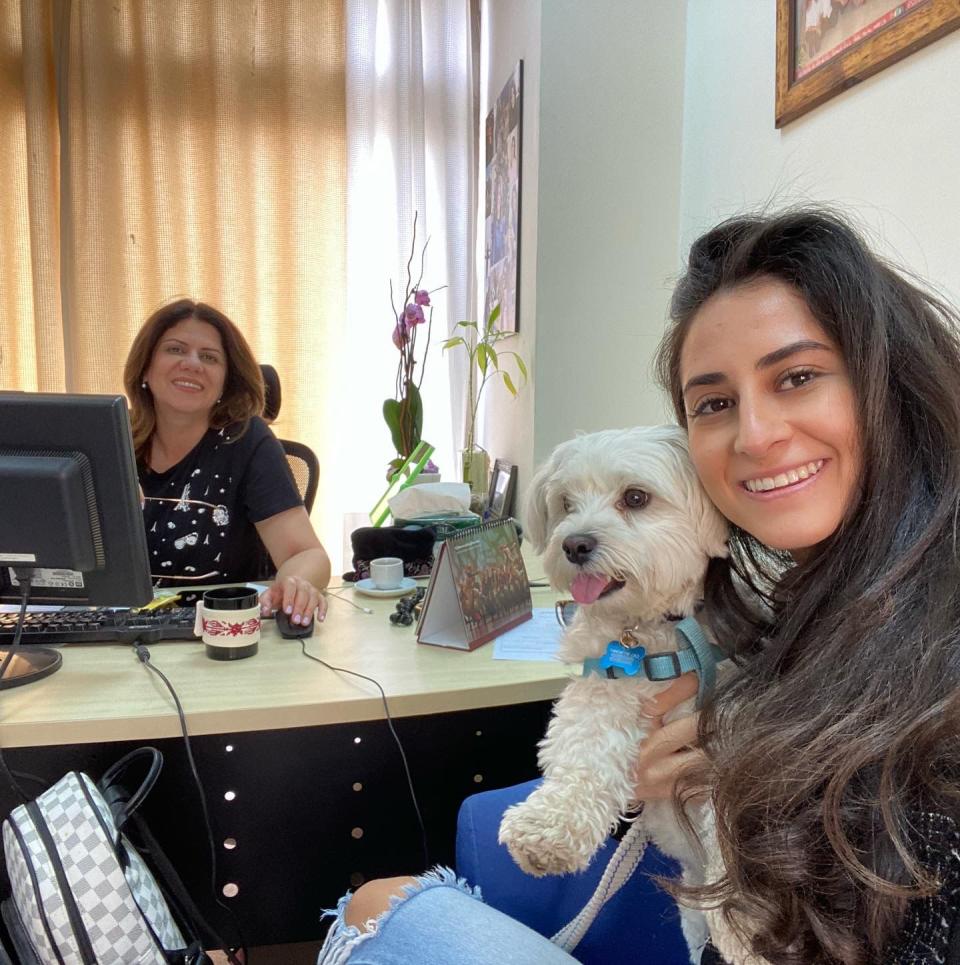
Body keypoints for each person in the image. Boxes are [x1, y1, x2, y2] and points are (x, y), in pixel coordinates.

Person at [317, 209, 960, 965]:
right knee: (384, 893)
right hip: (703, 896)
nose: (755, 435)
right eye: (714, 402)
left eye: (798, 376)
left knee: (377, 909)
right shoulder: (805, 591)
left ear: (891, 382)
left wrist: (731, 787)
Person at [123, 299, 330, 626]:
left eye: (209, 357)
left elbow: (307, 555)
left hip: (222, 635)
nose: (192, 364)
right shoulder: (112, 440)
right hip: (118, 635)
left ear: (225, 382)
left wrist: (295, 584)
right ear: (145, 367)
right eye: (175, 350)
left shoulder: (246, 441)